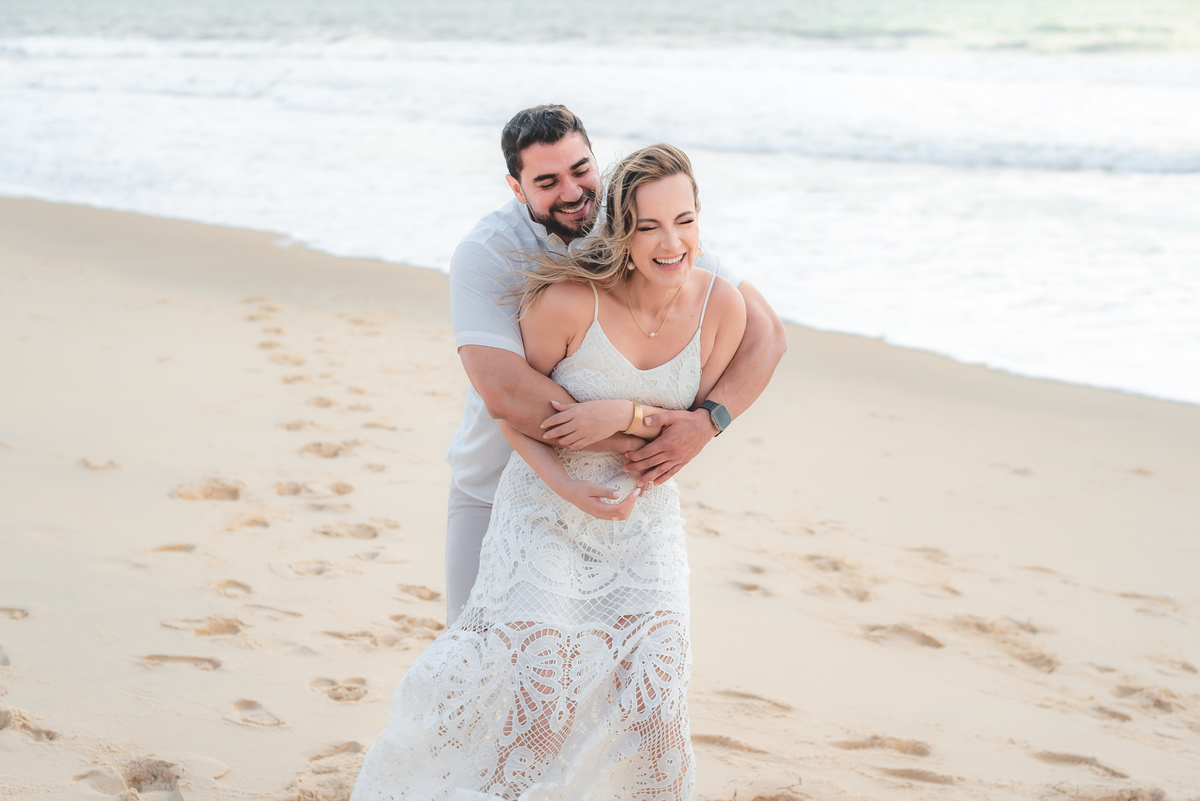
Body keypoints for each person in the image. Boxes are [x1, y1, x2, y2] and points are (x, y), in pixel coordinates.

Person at [351, 142, 751, 800]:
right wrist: (567, 484)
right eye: (649, 225)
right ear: (621, 229)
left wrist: (626, 414)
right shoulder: (565, 303)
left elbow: (686, 425)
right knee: (542, 708)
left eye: (685, 220)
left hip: (643, 519)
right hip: (546, 506)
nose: (671, 241)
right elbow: (509, 407)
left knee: (656, 713)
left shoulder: (722, 308)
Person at [443, 105, 786, 626]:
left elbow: (767, 335)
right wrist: (653, 432)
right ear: (517, 188)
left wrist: (707, 422)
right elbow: (506, 393)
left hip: (619, 499)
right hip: (496, 487)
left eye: (581, 169)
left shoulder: (639, 225)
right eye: (547, 181)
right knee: (475, 655)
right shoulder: (487, 254)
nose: (573, 191)